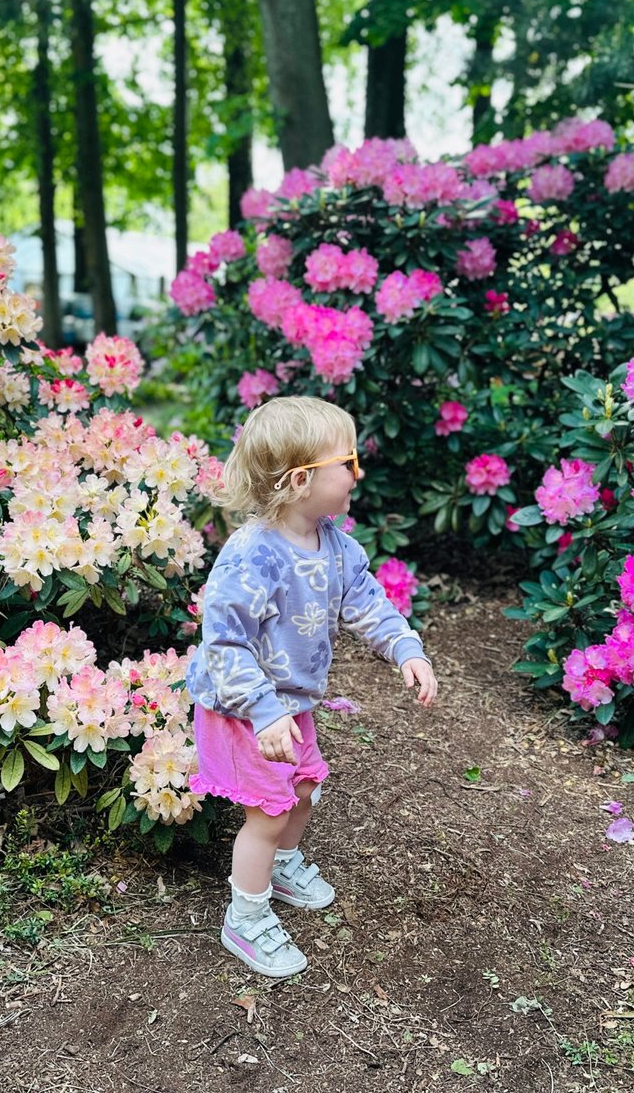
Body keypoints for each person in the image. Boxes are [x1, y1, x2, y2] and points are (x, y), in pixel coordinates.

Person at [185, 396, 438, 978]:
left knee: (302, 790)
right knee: (268, 814)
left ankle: (281, 864)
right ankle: (244, 916)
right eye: (347, 461)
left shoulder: (336, 545)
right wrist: (265, 711)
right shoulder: (252, 556)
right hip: (246, 708)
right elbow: (224, 644)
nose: (358, 472)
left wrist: (405, 648)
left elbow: (368, 604)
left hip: (290, 706)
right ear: (302, 480)